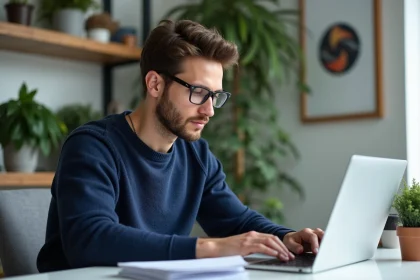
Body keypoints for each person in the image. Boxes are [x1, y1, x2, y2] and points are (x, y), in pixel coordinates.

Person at [36, 19, 324, 273]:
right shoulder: (92, 146)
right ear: (155, 84)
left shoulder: (196, 155)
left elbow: (236, 221)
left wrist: (286, 237)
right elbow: (90, 240)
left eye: (216, 96)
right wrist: (210, 249)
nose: (209, 111)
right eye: (199, 93)